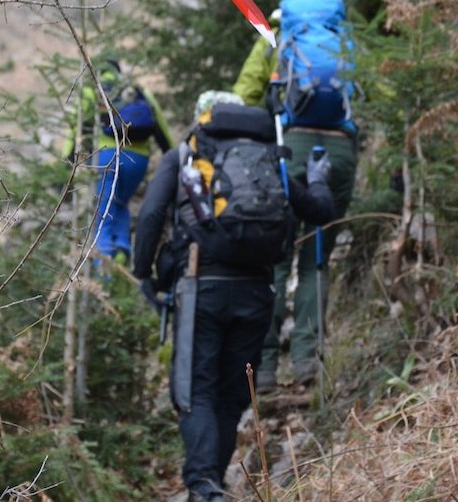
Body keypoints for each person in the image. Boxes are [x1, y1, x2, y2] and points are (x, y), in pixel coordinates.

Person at [132, 90, 333, 502]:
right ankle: (213, 485)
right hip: (257, 291)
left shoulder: (187, 155)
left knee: (196, 389)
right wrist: (317, 177)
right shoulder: (266, 158)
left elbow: (151, 215)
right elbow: (319, 210)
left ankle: (204, 486)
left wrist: (144, 274)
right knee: (231, 393)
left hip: (200, 285)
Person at [234, 0, 360, 391]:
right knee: (316, 259)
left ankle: (266, 366)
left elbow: (244, 96)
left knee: (276, 256)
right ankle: (307, 359)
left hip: (292, 148)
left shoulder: (275, 37)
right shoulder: (345, 38)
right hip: (339, 150)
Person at [69, 59, 172, 263]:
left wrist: (67, 163)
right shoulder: (138, 91)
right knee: (120, 203)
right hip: (139, 160)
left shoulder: (93, 90)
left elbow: (75, 130)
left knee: (103, 212)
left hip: (107, 156)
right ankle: (122, 250)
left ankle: (103, 269)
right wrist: (174, 158)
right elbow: (162, 129)